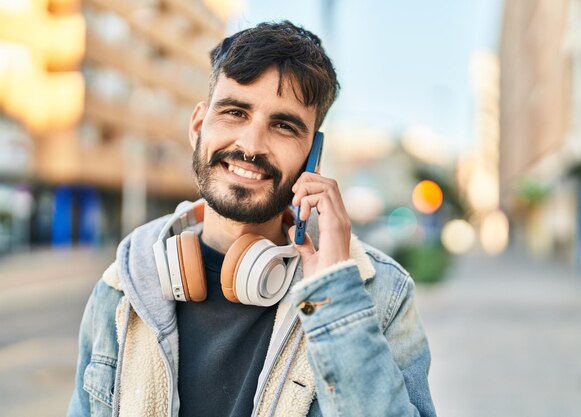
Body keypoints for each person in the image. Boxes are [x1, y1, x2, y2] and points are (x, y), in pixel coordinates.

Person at [67, 21, 436, 417]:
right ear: (198, 127)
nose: (251, 145)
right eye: (234, 112)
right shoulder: (124, 288)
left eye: (283, 125)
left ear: (314, 157)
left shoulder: (379, 293)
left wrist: (334, 300)